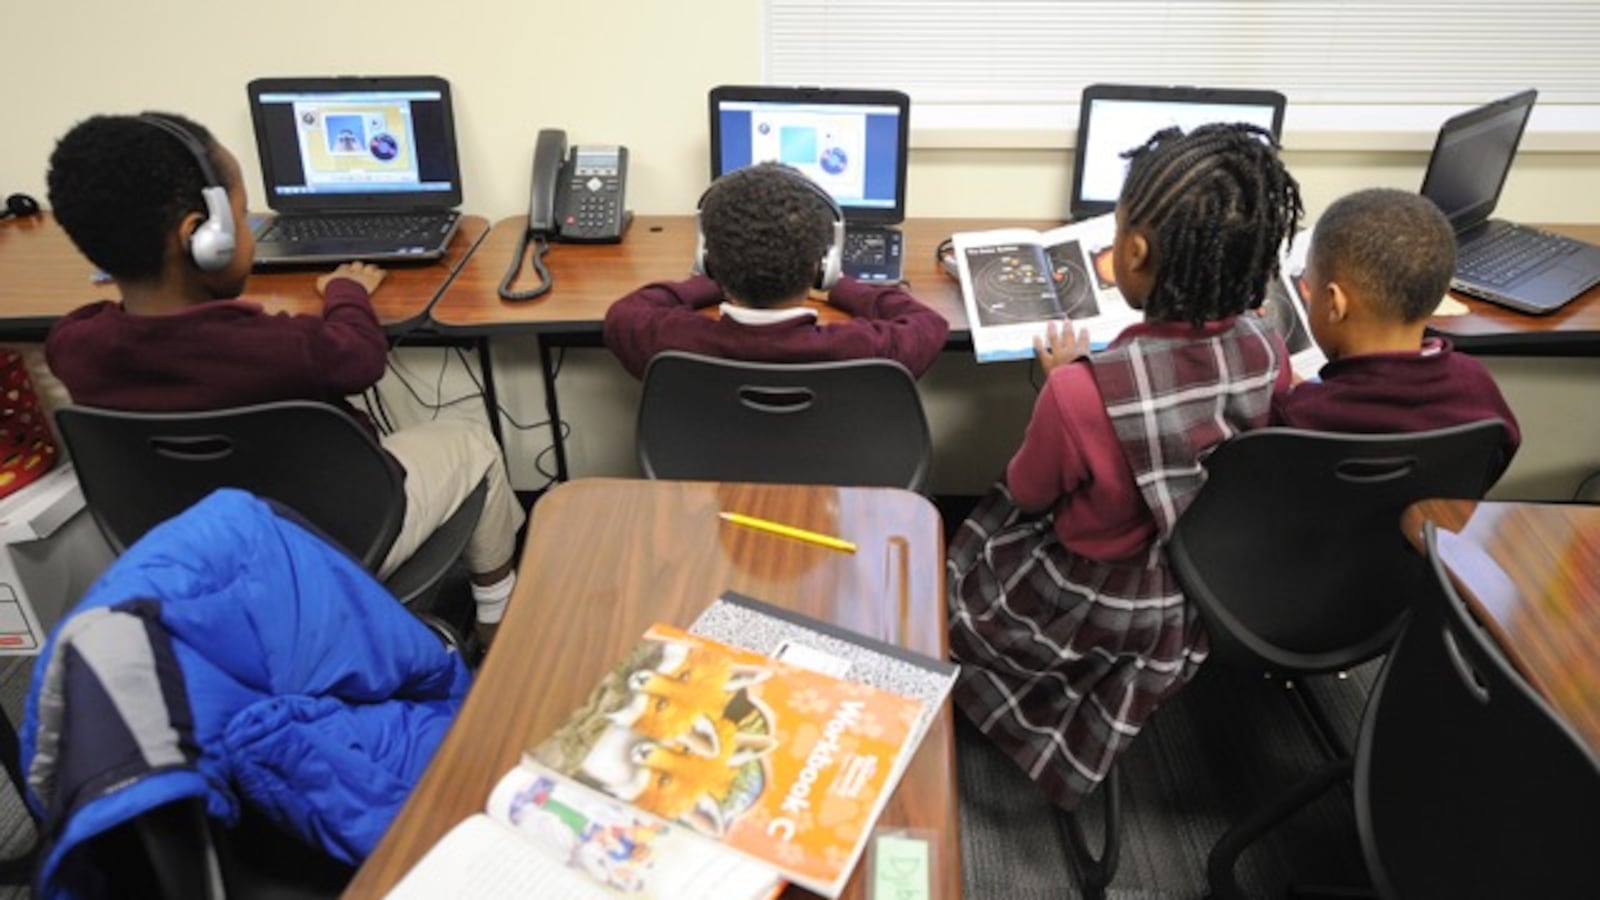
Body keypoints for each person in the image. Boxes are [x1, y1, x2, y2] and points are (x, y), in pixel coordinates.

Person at [43, 112, 524, 646]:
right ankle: (497, 617)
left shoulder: (74, 346)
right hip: (338, 543)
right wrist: (347, 293)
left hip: (193, 558)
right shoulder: (279, 347)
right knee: (473, 439)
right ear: (204, 238)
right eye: (246, 219)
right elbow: (360, 357)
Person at [947, 123, 1303, 811]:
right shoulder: (1270, 343)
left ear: (1134, 253)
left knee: (967, 563)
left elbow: (1028, 489)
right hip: (1198, 586)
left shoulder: (1080, 391)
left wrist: (1056, 380)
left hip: (1092, 599)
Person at [602, 162, 948, 378]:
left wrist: (712, 281)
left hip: (708, 490)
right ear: (822, 266)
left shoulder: (670, 339)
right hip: (835, 493)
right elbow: (930, 325)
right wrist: (841, 286)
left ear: (708, 259)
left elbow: (625, 313)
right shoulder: (863, 348)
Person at [1273, 187, 1521, 481]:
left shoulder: (1297, 416)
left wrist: (1296, 393)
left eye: (1307, 288)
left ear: (1335, 304)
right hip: (1432, 527)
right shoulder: (1475, 385)